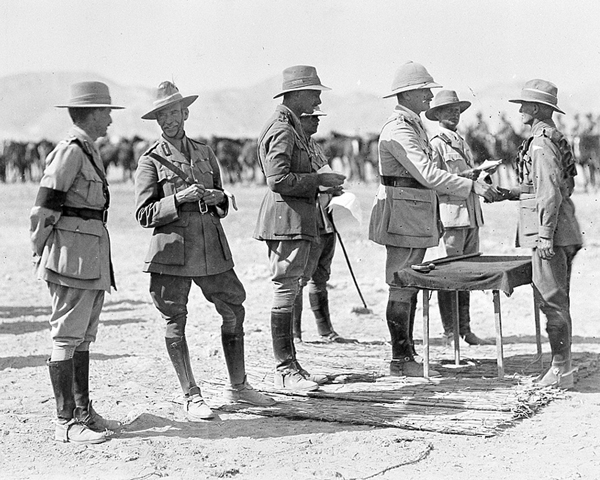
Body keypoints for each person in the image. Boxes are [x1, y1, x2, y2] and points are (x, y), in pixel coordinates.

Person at [135, 81, 275, 421]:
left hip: (210, 247)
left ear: (185, 113)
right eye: (161, 116)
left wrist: (219, 199)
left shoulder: (205, 151)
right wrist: (177, 200)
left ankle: (238, 386)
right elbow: (143, 214)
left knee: (234, 309)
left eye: (172, 113)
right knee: (175, 320)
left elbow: (222, 196)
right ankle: (191, 396)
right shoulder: (150, 160)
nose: (168, 121)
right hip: (172, 252)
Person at [369, 62, 499, 377]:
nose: (430, 95)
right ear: (409, 93)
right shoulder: (400, 128)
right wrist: (472, 185)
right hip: (404, 215)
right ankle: (400, 360)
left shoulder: (413, 125)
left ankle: (406, 354)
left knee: (408, 284)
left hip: (413, 214)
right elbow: (427, 173)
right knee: (401, 284)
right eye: (425, 90)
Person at [29, 81, 124, 444]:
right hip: (70, 256)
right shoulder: (70, 151)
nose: (111, 122)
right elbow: (44, 206)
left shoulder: (89, 149)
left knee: (83, 336)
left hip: (90, 254)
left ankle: (83, 412)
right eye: (107, 113)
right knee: (67, 336)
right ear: (92, 113)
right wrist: (41, 249)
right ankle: (65, 423)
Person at [254, 65, 346, 391]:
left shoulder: (292, 128)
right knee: (285, 289)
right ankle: (285, 370)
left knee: (291, 287)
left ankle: (292, 366)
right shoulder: (282, 129)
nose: (319, 99)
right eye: (315, 93)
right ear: (297, 95)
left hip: (294, 219)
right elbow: (277, 180)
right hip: (285, 221)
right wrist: (318, 181)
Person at [506, 79, 582, 388]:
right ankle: (562, 366)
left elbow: (549, 192)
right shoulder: (555, 138)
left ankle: (560, 370)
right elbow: (565, 186)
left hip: (550, 233)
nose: (521, 110)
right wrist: (510, 193)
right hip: (566, 228)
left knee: (551, 301)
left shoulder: (539, 143)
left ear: (536, 109)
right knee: (558, 300)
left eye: (524, 105)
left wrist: (546, 235)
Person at [425, 90, 493, 346]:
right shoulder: (436, 144)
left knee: (466, 274)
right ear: (438, 115)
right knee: (451, 274)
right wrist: (467, 178)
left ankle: (465, 329)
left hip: (471, 213)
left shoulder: (461, 141)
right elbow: (435, 180)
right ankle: (450, 332)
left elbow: (463, 174)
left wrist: (479, 174)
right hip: (452, 215)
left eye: (457, 111)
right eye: (448, 111)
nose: (454, 114)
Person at [293, 107, 355, 344]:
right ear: (301, 120)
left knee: (321, 276)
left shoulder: (315, 146)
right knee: (300, 277)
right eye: (313, 118)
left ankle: (325, 330)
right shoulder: (294, 148)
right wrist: (322, 186)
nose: (318, 121)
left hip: (326, 220)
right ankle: (294, 333)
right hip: (308, 221)